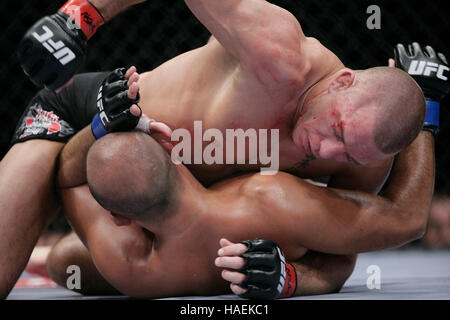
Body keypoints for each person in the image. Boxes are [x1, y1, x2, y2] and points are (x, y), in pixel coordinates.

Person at [1, 0, 447, 298]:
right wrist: (79, 18)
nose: (326, 150)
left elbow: (340, 253)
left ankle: (58, 252)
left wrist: (291, 280)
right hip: (85, 111)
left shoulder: (365, 149)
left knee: (71, 265)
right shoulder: (275, 51)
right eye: (338, 130)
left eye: (349, 156)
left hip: (152, 204)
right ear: (344, 80)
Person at [46, 101, 435, 298]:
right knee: (367, 163)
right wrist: (424, 111)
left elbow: (67, 178)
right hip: (298, 214)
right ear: (178, 158)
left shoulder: (127, 264)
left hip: (170, 265)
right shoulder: (272, 198)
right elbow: (408, 221)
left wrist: (101, 122)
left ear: (117, 218)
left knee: (63, 261)